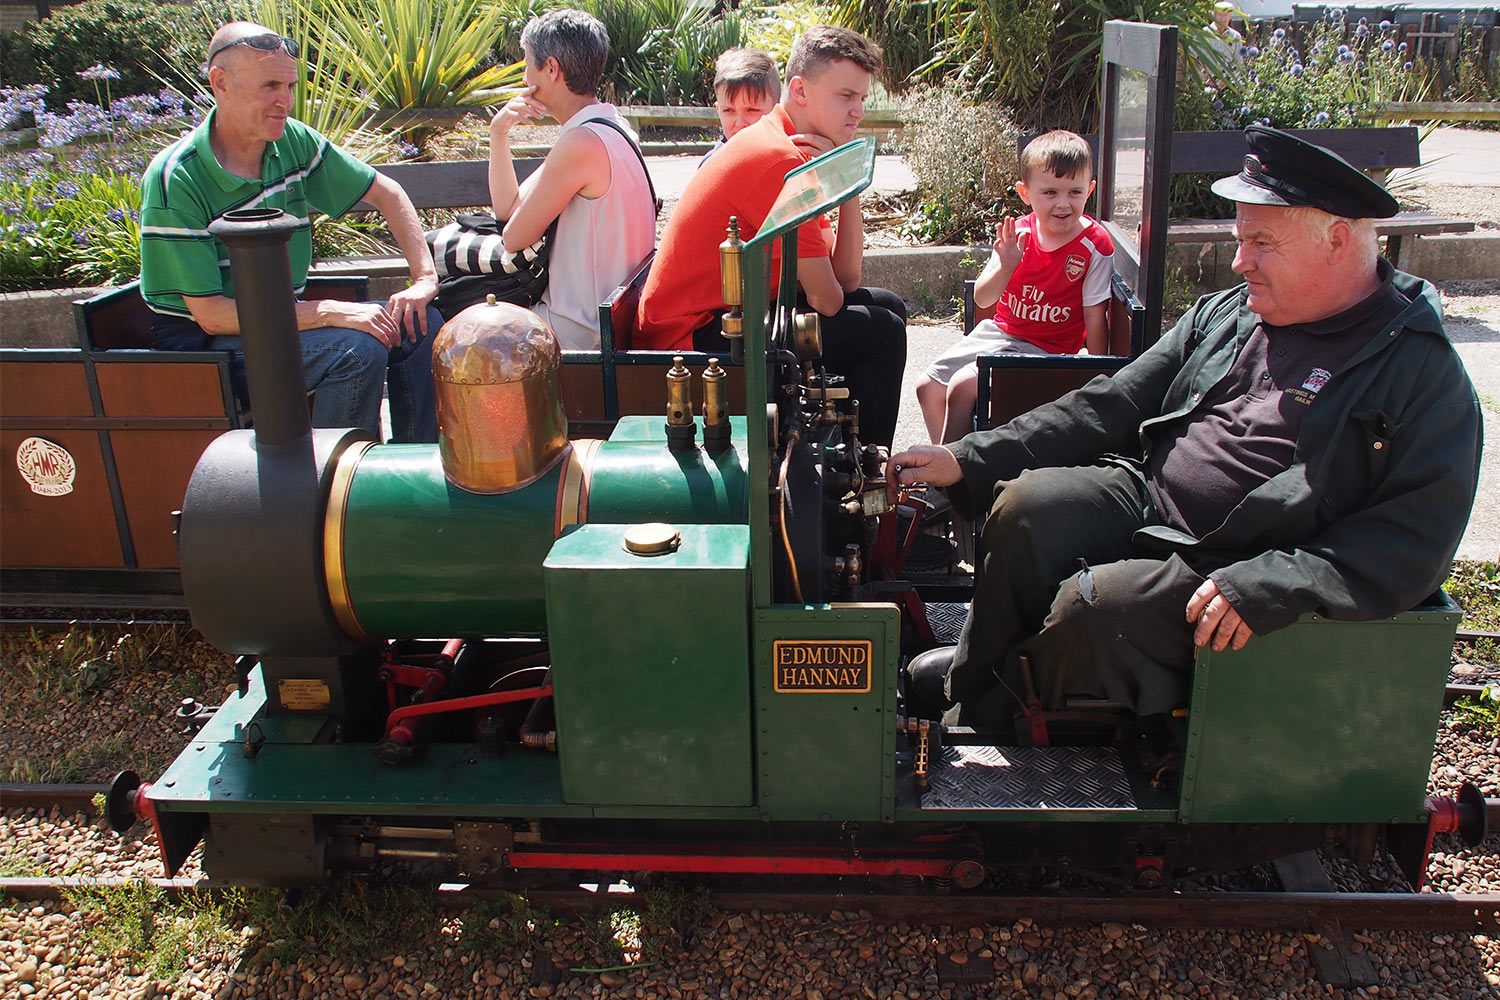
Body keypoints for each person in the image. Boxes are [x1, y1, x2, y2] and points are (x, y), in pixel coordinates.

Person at [888, 125, 1482, 728]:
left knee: (1096, 607)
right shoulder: (1231, 313)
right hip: (1148, 496)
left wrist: (1274, 582)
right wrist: (970, 456)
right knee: (1024, 506)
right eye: (1238, 238)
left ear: (1335, 241)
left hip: (1234, 560)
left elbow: (1414, 539)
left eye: (1260, 242)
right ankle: (975, 683)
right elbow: (1113, 401)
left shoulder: (1421, 375)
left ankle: (1015, 704)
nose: (1238, 259)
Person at [140, 21, 439, 442]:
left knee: (418, 324)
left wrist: (423, 281)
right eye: (269, 86)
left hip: (277, 321)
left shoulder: (292, 142)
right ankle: (327, 490)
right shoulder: (177, 178)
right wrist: (332, 312)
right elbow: (211, 316)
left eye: (290, 86)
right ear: (219, 82)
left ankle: (409, 471)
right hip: (204, 348)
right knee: (355, 351)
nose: (285, 101)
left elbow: (387, 193)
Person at [635, 25, 908, 449]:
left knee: (887, 307)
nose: (857, 112)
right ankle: (867, 480)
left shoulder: (790, 146)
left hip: (732, 315)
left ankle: (844, 458)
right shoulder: (778, 157)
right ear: (799, 89)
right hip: (689, 340)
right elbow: (829, 300)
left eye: (861, 99)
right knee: (882, 333)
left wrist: (845, 180)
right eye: (845, 96)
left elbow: (846, 279)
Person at [915, 130, 1114, 444]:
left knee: (964, 386)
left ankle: (947, 480)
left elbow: (1095, 316)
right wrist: (1006, 266)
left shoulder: (1094, 245)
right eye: (1050, 192)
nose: (1063, 204)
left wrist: (1095, 373)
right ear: (1025, 193)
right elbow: (982, 297)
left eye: (1074, 192)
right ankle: (946, 465)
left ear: (1090, 189)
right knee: (928, 386)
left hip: (1049, 349)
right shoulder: (1018, 235)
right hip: (1003, 333)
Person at [487, 8, 656, 350]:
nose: (523, 78)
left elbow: (513, 238)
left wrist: (497, 131)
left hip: (577, 330)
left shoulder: (581, 142)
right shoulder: (609, 127)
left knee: (449, 320)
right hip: (609, 319)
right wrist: (499, 132)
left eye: (526, 63)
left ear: (550, 69)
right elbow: (509, 209)